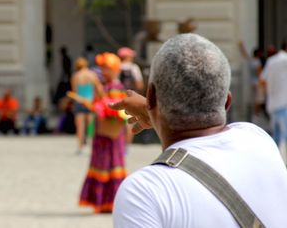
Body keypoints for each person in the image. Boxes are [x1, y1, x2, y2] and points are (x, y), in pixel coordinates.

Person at [110, 34, 287, 227]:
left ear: (151, 97)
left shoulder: (144, 192)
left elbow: (185, 132)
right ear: (227, 101)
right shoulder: (257, 138)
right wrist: (156, 109)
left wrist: (157, 110)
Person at [79, 52, 128, 213]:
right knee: (100, 163)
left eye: (106, 68)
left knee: (111, 163)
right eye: (102, 68)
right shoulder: (104, 86)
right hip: (102, 132)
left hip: (112, 133)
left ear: (115, 69)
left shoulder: (115, 87)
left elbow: (116, 109)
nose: (103, 71)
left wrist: (102, 105)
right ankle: (101, 202)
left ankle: (111, 202)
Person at [71, 57, 104, 154]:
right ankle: (92, 145)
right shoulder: (92, 74)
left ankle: (80, 147)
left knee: (80, 126)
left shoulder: (76, 76)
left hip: (79, 101)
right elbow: (99, 89)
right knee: (91, 126)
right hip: (90, 102)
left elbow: (75, 91)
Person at [260, 43, 287, 161]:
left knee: (276, 137)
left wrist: (271, 91)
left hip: (273, 104)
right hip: (284, 103)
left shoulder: (271, 61)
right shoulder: (285, 60)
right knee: (284, 137)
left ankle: (275, 163)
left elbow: (262, 80)